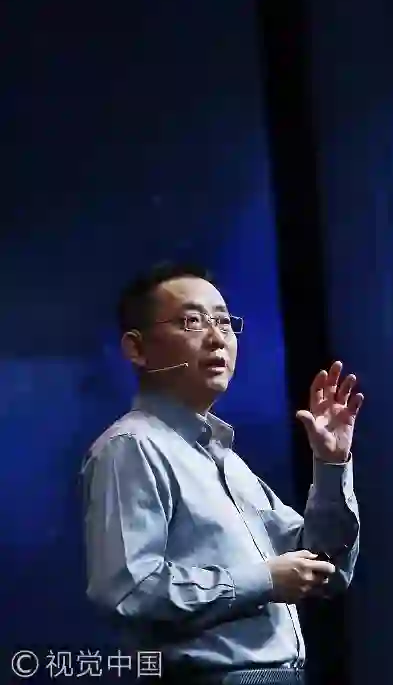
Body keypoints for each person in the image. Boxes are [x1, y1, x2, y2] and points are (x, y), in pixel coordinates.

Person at [82, 263, 361, 685]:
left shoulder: (226, 460)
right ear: (137, 348)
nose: (216, 338)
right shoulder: (131, 447)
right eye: (192, 322)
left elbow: (324, 569)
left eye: (225, 322)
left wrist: (331, 464)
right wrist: (263, 579)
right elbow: (128, 592)